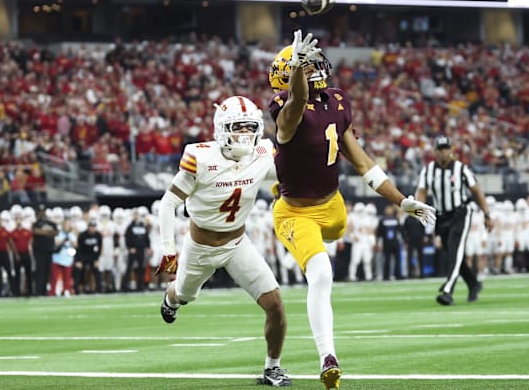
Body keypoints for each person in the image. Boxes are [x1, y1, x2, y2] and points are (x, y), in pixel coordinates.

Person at [268, 30, 435, 390]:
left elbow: (363, 163)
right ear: (290, 73)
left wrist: (402, 199)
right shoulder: (285, 109)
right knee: (322, 274)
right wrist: (297, 70)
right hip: (296, 214)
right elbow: (295, 104)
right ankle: (328, 357)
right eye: (305, 64)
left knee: (334, 238)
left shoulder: (337, 101)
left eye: (312, 63)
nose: (315, 68)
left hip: (334, 208)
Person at [155, 95, 291, 387]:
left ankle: (273, 367)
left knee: (275, 304)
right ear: (221, 129)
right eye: (237, 127)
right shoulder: (201, 157)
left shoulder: (263, 152)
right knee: (185, 295)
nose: (244, 134)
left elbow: (290, 170)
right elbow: (167, 204)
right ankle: (170, 297)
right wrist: (169, 251)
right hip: (200, 247)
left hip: (238, 243)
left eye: (249, 127)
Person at [414, 135, 490, 306]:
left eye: (446, 149)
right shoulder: (428, 170)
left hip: (461, 213)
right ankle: (473, 283)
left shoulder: (461, 168)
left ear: (451, 150)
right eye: (440, 149)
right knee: (452, 255)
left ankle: (448, 290)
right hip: (442, 216)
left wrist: (487, 214)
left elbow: (477, 191)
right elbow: (422, 191)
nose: (443, 152)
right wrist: (419, 210)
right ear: (435, 152)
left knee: (455, 251)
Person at [32, 205, 57, 296]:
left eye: (43, 211)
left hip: (49, 250)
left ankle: (44, 290)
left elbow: (55, 232)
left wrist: (44, 232)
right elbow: (35, 231)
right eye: (40, 211)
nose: (42, 213)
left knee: (47, 271)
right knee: (40, 271)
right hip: (39, 251)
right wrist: (47, 232)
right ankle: (38, 290)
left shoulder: (50, 223)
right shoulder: (36, 223)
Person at [75, 220, 103, 294]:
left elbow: (99, 248)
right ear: (88, 227)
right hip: (83, 255)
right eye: (91, 227)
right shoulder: (83, 235)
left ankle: (99, 289)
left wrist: (97, 259)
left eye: (94, 227)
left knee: (97, 270)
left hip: (93, 256)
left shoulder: (98, 235)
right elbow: (79, 248)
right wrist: (78, 260)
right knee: (80, 271)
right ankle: (77, 289)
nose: (93, 229)